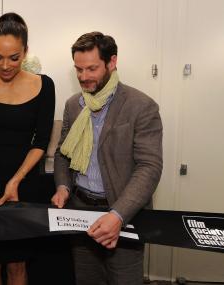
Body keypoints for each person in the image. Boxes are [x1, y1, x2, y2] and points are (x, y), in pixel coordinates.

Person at [51, 32, 163, 285]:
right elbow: (62, 152)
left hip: (123, 213)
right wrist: (63, 185)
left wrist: (118, 215)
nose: (83, 77)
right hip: (80, 211)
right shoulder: (73, 105)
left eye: (91, 68)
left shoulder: (141, 106)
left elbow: (149, 167)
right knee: (87, 279)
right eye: (78, 69)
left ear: (112, 62)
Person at [0, 12, 55, 285]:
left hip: (23, 183)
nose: (5, 65)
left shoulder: (44, 85)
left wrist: (17, 180)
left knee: (17, 265)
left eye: (13, 57)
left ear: (26, 52)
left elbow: (40, 141)